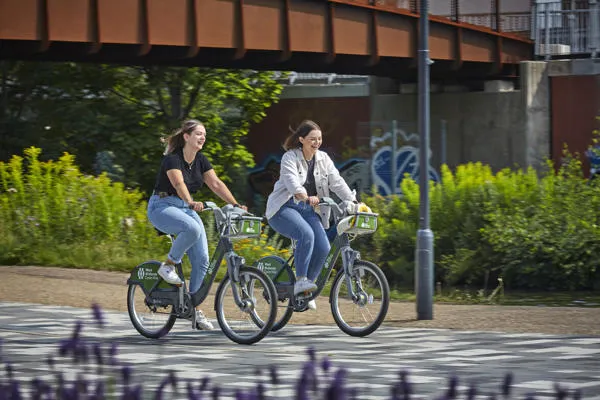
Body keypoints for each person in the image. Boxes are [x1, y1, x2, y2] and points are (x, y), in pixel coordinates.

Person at [148, 119, 247, 330]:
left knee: (203, 260)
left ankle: (192, 307)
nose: (202, 137)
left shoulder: (201, 160)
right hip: (162, 206)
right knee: (191, 228)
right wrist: (190, 202)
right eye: (198, 134)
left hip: (185, 208)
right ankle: (168, 266)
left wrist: (235, 204)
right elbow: (178, 183)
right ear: (186, 137)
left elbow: (216, 184)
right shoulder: (172, 159)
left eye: (204, 135)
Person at [265, 120, 357, 310]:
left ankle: (307, 289)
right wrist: (304, 196)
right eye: (312, 139)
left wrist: (353, 201)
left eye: (319, 139)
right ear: (301, 140)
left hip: (308, 210)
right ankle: (300, 280)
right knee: (306, 234)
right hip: (284, 208)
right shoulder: (289, 157)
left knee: (323, 246)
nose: (317, 142)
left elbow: (337, 182)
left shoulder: (323, 159)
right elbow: (292, 182)